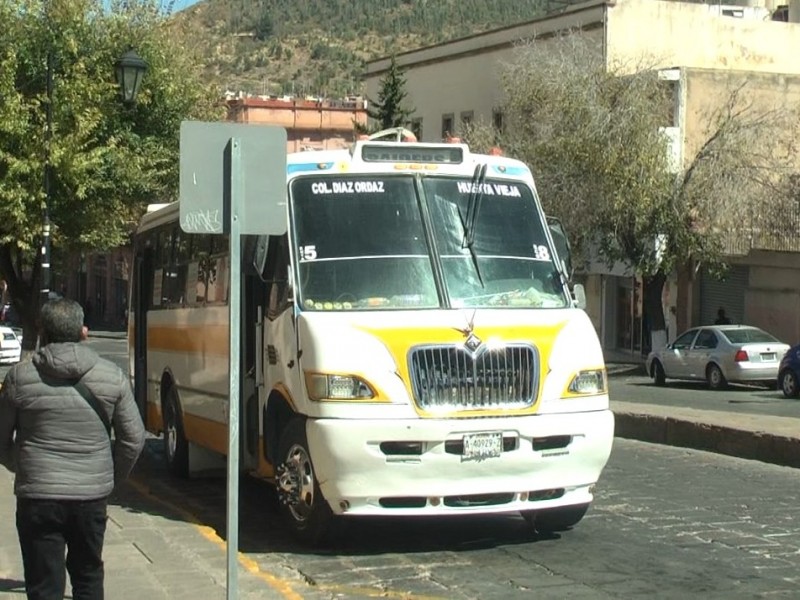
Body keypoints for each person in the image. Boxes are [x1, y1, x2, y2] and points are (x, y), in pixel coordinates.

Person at [0, 298, 145, 600]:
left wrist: (25, 466)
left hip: (38, 497)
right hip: (91, 496)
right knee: (88, 575)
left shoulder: (19, 378)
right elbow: (133, 439)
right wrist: (109, 477)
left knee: (43, 584)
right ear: (84, 332)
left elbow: (1, 439)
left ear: (43, 333)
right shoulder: (111, 376)